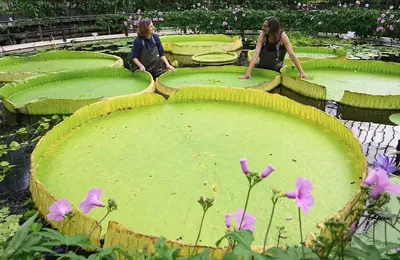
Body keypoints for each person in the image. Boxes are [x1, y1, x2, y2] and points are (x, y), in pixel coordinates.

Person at [241, 16, 310, 79]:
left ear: (272, 28)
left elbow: (292, 55)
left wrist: (302, 72)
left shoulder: (283, 37)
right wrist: (248, 72)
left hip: (278, 70)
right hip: (262, 69)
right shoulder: (262, 36)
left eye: (265, 26)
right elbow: (256, 55)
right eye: (263, 26)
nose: (262, 28)